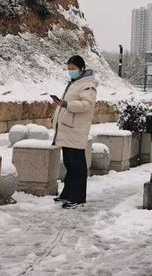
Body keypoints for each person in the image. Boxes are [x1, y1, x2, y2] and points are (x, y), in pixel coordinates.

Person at [51, 55, 98, 209]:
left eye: (73, 69)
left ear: (82, 69)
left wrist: (65, 104)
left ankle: (78, 197)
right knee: (70, 164)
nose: (70, 71)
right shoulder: (75, 83)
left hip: (76, 130)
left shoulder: (87, 85)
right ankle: (67, 194)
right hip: (67, 129)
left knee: (77, 165)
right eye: (69, 68)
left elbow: (87, 104)